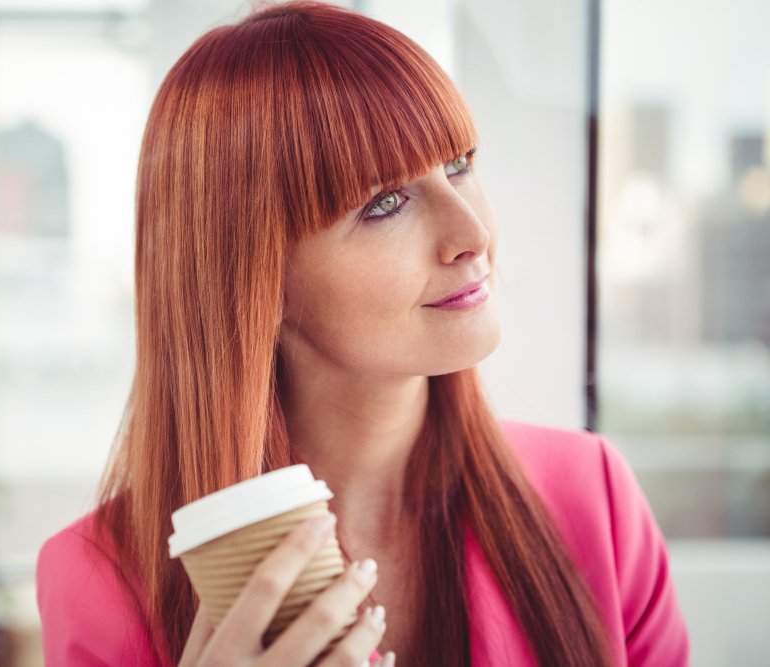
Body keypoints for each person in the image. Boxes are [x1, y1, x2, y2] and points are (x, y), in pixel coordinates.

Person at [35, 1, 690, 665]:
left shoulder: (593, 498)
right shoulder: (99, 580)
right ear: (256, 278)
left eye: (460, 163)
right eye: (383, 204)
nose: (473, 235)